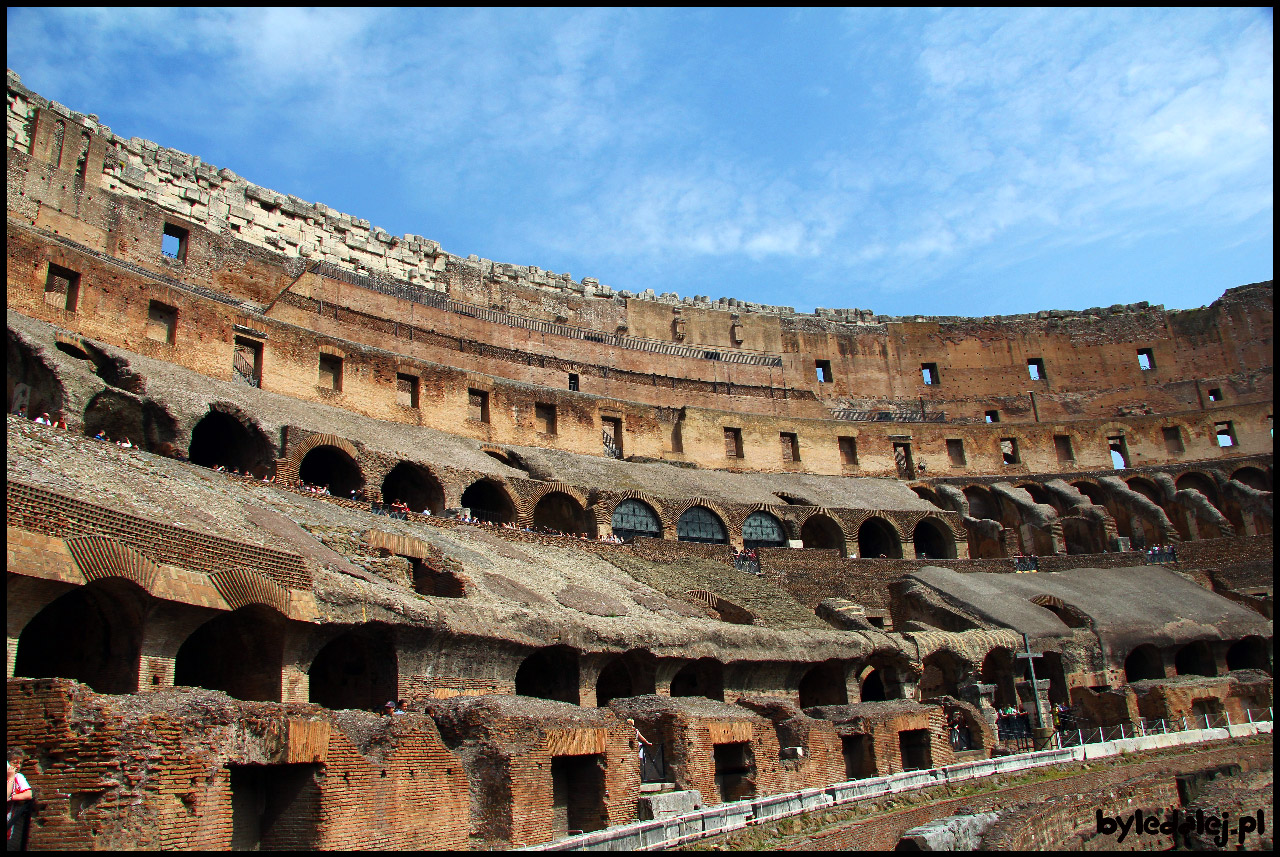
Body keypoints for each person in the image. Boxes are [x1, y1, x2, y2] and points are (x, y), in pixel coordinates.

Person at [7, 756, 33, 851]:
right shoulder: (11, 777)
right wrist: (10, 778)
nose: (18, 766)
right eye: (14, 763)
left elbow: (28, 794)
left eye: (20, 763)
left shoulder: (19, 777)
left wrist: (11, 797)